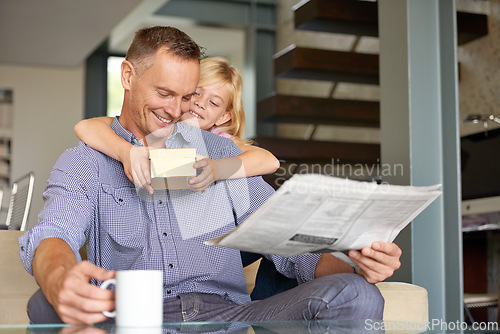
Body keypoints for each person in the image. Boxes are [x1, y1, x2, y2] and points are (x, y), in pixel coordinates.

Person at [19, 25, 402, 325]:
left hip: (226, 315)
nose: (176, 110)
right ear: (128, 76)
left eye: (187, 97)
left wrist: (358, 265)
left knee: (355, 293)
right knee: (44, 305)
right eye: (165, 93)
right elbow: (54, 236)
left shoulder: (219, 153)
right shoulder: (86, 161)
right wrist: (59, 279)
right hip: (136, 318)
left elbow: (293, 251)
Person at [74, 57, 280, 194]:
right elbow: (85, 127)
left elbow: (269, 160)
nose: (200, 103)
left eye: (213, 102)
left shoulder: (220, 141)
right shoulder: (162, 122)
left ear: (223, 117)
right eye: (196, 93)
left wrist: (216, 169)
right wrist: (126, 152)